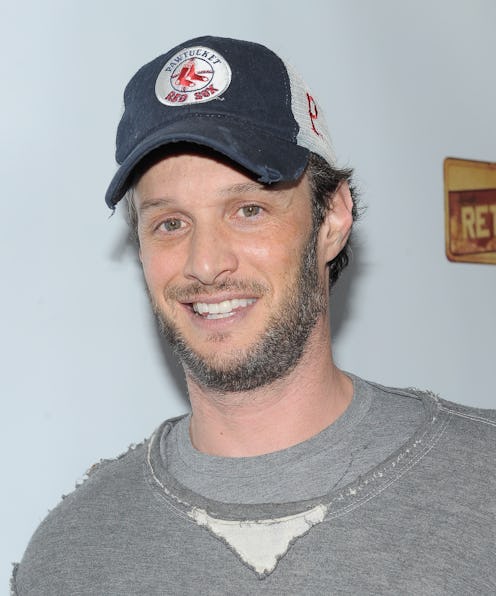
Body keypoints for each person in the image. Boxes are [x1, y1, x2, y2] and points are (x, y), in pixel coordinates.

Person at [12, 35, 496, 595]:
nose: (206, 263)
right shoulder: (70, 557)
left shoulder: (482, 484)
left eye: (248, 210)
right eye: (170, 223)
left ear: (332, 219)